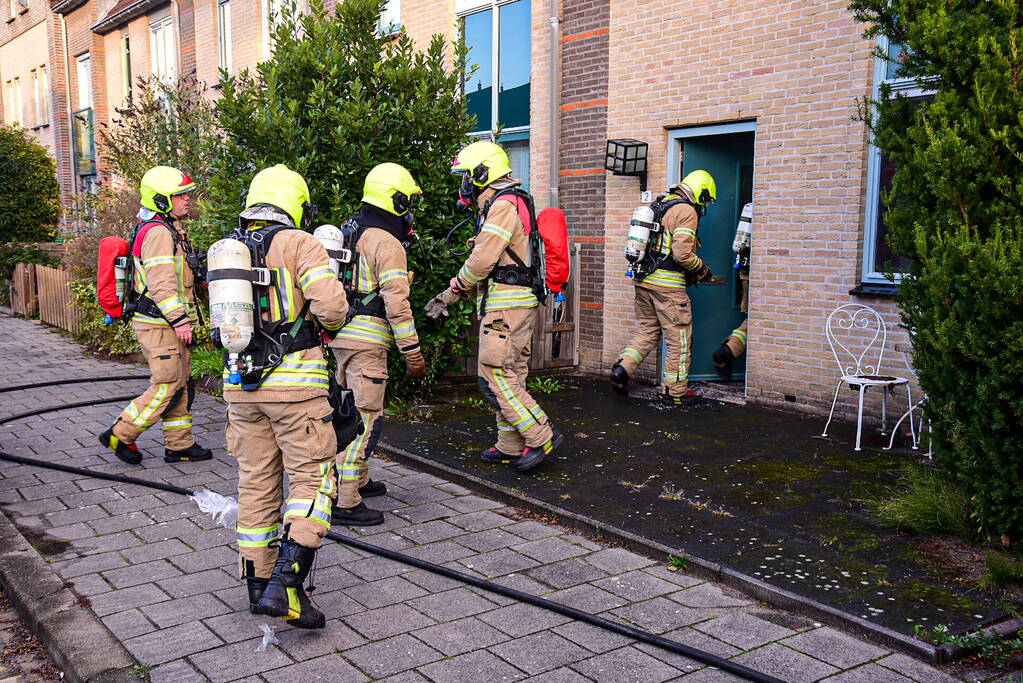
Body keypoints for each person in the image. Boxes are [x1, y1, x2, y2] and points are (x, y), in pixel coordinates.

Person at [220, 165, 348, 629]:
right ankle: (288, 585)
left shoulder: (229, 249)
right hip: (295, 389)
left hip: (241, 389)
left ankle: (257, 587)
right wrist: (328, 323)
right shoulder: (300, 243)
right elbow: (331, 307)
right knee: (314, 481)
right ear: (293, 203)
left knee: (255, 483)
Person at [425, 141, 561, 472]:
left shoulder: (501, 206)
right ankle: (510, 445)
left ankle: (540, 433)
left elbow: (483, 260)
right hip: (516, 303)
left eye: (467, 177)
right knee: (511, 374)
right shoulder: (511, 202)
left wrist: (451, 292)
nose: (465, 186)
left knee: (494, 374)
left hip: (506, 308)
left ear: (483, 174)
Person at [328, 163, 426, 527]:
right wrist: (412, 353)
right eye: (408, 201)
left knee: (346, 412)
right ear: (396, 200)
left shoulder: (348, 232)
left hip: (340, 337)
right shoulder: (387, 243)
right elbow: (397, 304)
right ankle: (346, 500)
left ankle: (361, 480)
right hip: (368, 343)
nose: (410, 209)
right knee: (363, 419)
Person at [99, 166, 212, 465]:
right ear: (162, 200)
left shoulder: (169, 228)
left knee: (181, 382)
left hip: (165, 324)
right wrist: (181, 320)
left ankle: (179, 445)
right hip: (160, 324)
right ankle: (121, 433)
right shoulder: (159, 233)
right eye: (180, 195)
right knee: (168, 384)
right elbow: (162, 285)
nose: (187, 199)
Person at [609, 170, 717, 405]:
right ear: (701, 192)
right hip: (668, 287)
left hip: (644, 281)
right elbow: (682, 254)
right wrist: (702, 269)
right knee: (679, 339)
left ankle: (622, 369)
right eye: (706, 199)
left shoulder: (660, 204)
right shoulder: (686, 211)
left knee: (648, 330)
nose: (705, 205)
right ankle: (674, 392)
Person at [713, 202, 752, 380]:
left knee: (752, 321)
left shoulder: (750, 207)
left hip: (745, 273)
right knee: (756, 321)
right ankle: (727, 351)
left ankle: (727, 350)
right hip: (755, 274)